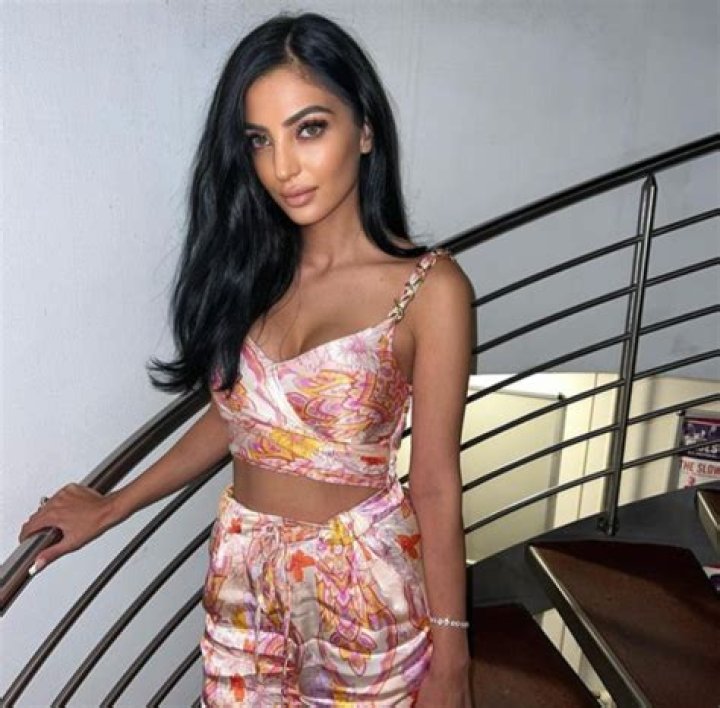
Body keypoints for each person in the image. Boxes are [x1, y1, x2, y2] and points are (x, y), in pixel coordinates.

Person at [19, 12, 473, 707]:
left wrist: (453, 659)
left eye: (309, 129)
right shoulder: (254, 272)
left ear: (365, 130)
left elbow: (436, 484)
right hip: (244, 581)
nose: (282, 167)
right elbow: (241, 421)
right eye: (260, 140)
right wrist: (112, 507)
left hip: (364, 588)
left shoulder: (431, 290)